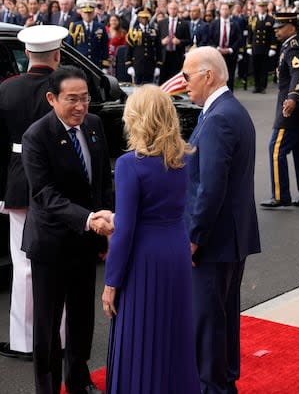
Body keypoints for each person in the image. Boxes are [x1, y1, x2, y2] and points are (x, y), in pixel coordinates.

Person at [101, 85, 200, 394]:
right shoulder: (182, 158)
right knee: (174, 334)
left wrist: (110, 283)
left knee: (138, 335)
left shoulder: (131, 164)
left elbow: (127, 229)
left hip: (144, 258)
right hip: (175, 250)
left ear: (136, 118)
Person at [21, 66, 114, 394]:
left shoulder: (93, 125)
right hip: (51, 244)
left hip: (87, 242)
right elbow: (44, 195)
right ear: (52, 98)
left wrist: (108, 222)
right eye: (72, 100)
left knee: (82, 317)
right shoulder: (37, 136)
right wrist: (89, 218)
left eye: (85, 98)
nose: (80, 106)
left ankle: (78, 379)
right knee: (47, 323)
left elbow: (102, 180)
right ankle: (46, 387)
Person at [0, 25, 70, 363]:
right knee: (58, 262)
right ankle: (58, 339)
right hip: (59, 182)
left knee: (23, 265)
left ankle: (23, 342)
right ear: (57, 54)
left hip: (20, 183)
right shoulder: (66, 88)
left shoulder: (7, 89)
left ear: (27, 55)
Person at [183, 47, 261, 394]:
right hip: (229, 236)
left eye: (187, 76)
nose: (184, 84)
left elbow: (210, 186)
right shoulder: (228, 111)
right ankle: (224, 384)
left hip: (214, 240)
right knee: (223, 318)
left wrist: (194, 235)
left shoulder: (218, 118)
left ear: (208, 75)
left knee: (209, 323)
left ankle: (214, 388)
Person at [261, 12, 299, 209]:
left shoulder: (293, 49)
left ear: (292, 27)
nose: (276, 30)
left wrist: (293, 98)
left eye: (280, 27)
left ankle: (280, 195)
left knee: (276, 149)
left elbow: (298, 74)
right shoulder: (290, 45)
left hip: (293, 109)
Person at [246, 0, 277, 93]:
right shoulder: (253, 19)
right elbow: (250, 34)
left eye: (263, 6)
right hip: (255, 47)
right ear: (257, 7)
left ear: (266, 7)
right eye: (260, 6)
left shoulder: (271, 19)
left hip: (266, 47)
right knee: (256, 68)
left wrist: (273, 47)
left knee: (264, 68)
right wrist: (249, 46)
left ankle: (263, 86)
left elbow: (273, 35)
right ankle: (256, 86)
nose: (262, 8)